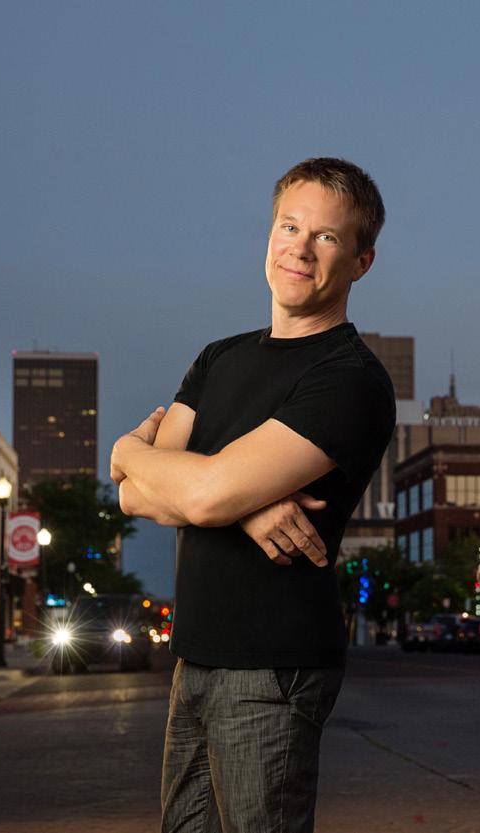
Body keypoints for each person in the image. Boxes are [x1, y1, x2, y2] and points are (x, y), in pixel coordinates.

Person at [109, 157, 395, 833]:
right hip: (195, 655)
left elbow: (194, 494)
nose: (300, 248)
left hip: (274, 666)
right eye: (289, 226)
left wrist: (135, 452)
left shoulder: (350, 379)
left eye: (326, 236)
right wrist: (247, 503)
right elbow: (131, 494)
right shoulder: (219, 358)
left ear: (361, 261)